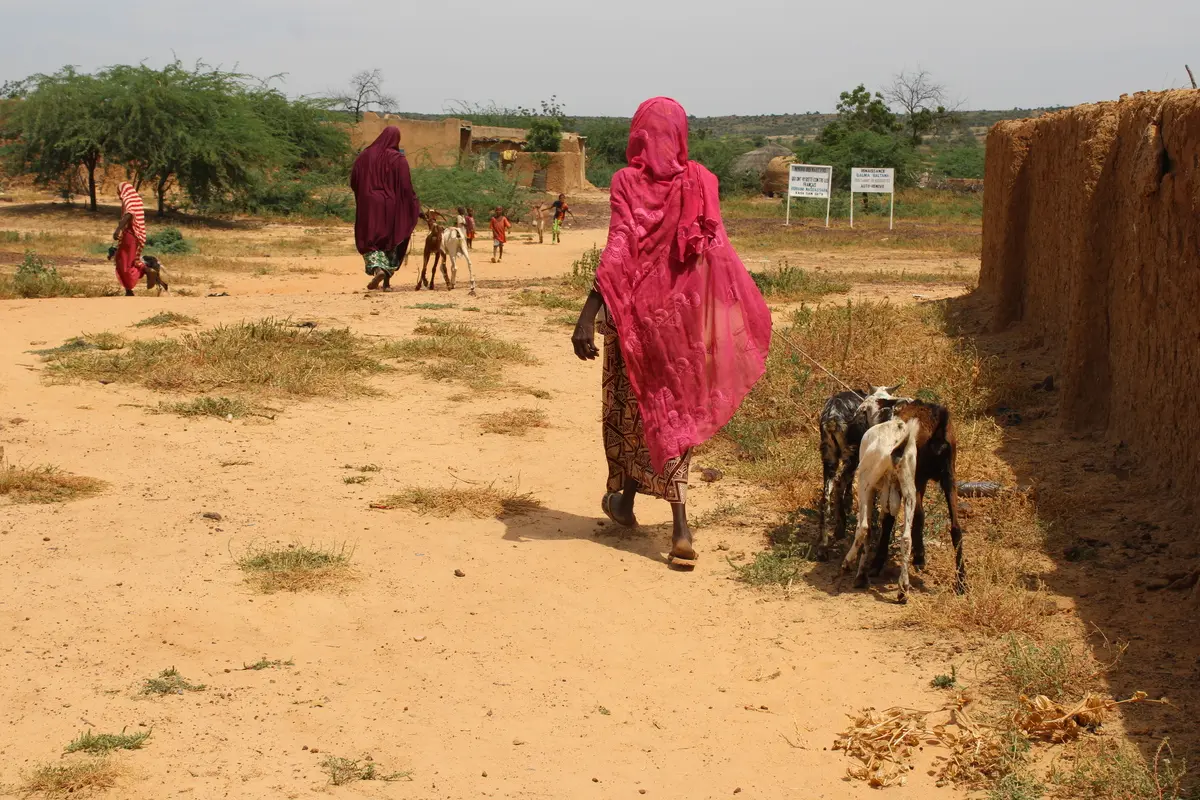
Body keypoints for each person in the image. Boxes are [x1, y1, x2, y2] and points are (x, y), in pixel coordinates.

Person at [570, 97, 772, 568]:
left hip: (634, 319)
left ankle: (626, 499)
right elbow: (714, 253)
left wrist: (588, 312)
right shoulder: (702, 181)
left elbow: (620, 245)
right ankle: (676, 524)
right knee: (672, 412)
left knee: (632, 407)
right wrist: (728, 314)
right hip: (682, 322)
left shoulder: (626, 181)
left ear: (639, 134)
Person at [350, 126, 420, 291]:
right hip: (391, 205)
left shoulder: (364, 156)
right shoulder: (398, 159)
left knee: (370, 240)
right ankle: (387, 282)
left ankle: (378, 269)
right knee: (390, 240)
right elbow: (405, 187)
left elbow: (354, 180)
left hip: (369, 205)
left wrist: (364, 195)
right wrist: (414, 204)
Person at [112, 182, 146, 296]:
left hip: (130, 235)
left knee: (124, 262)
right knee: (124, 260)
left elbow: (129, 214)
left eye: (118, 192)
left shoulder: (128, 200)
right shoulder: (137, 199)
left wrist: (118, 229)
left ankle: (144, 270)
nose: (118, 195)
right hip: (136, 235)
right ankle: (128, 289)